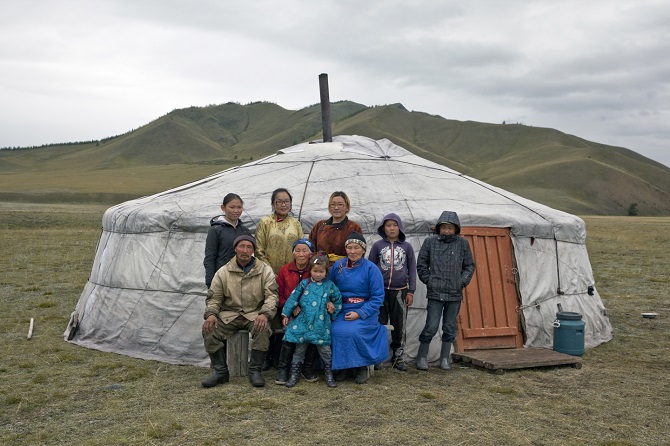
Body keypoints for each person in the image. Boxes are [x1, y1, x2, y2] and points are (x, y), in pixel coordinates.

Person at [201, 235, 278, 388]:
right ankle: (220, 371)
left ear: (253, 251)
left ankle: (255, 370)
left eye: (249, 247)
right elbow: (214, 297)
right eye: (241, 246)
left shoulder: (265, 270)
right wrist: (211, 314)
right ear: (235, 248)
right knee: (209, 330)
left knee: (262, 330)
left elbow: (272, 296)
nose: (245, 250)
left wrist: (264, 314)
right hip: (230, 314)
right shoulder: (223, 272)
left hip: (254, 313)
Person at [415, 211, 475, 371]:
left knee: (449, 326)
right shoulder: (430, 242)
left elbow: (469, 265)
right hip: (435, 292)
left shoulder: (463, 244)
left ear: (456, 229)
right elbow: (421, 264)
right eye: (444, 227)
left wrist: (461, 282)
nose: (447, 231)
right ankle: (421, 357)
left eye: (450, 228)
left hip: (454, 293)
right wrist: (430, 281)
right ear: (439, 228)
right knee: (431, 326)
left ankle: (444, 358)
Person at [255, 188, 305, 370]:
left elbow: (301, 248)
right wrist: (271, 272)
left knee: (289, 310)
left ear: (291, 203)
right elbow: (258, 250)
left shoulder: (296, 223)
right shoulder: (265, 223)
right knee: (271, 311)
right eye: (279, 201)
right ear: (273, 204)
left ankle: (286, 356)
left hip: (293, 276)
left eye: (286, 201)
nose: (283, 204)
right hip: (269, 276)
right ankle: (268, 355)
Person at [328, 232, 387, 384]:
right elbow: (328, 287)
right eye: (349, 248)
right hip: (341, 308)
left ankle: (361, 366)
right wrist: (329, 303)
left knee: (354, 331)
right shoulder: (338, 266)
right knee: (335, 331)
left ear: (363, 249)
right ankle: (342, 367)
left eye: (356, 248)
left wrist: (360, 313)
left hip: (365, 310)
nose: (352, 251)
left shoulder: (371, 269)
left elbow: (377, 297)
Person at [282, 254, 342, 388]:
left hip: (320, 323)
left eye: (321, 271)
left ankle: (329, 374)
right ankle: (294, 374)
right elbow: (293, 298)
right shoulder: (305, 284)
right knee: (299, 349)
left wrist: (333, 312)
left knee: (325, 349)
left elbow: (337, 300)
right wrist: (286, 313)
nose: (318, 274)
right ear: (310, 271)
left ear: (326, 272)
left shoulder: (329, 286)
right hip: (303, 321)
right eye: (315, 271)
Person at [368, 213, 417, 371]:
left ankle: (398, 356)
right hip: (379, 292)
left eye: (395, 225)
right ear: (383, 228)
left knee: (399, 325)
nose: (392, 228)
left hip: (400, 292)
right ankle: (378, 357)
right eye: (388, 225)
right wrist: (369, 289)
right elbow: (370, 268)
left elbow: (412, 269)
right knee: (379, 324)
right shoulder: (377, 246)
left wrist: (411, 291)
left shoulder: (407, 247)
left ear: (400, 227)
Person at [273, 238, 314, 385]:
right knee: (290, 334)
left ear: (311, 253)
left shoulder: (315, 271)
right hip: (289, 312)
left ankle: (307, 367)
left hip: (310, 312)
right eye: (297, 250)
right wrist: (290, 308)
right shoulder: (285, 270)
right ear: (293, 253)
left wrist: (303, 307)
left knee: (313, 333)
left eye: (304, 251)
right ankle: (283, 368)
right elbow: (279, 295)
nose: (301, 254)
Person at [203, 193, 251, 289]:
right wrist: (210, 282)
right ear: (223, 207)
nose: (236, 211)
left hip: (242, 278)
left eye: (239, 207)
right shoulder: (216, 230)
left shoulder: (244, 230)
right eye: (232, 207)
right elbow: (210, 257)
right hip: (222, 278)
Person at [309, 191, 362, 264]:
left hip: (344, 269)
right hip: (321, 269)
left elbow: (358, 252)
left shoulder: (353, 227)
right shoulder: (320, 226)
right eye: (333, 204)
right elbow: (311, 248)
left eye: (340, 205)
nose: (336, 208)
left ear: (347, 207)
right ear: (329, 207)